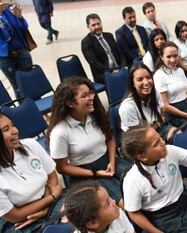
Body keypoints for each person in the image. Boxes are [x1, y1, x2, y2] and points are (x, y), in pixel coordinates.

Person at [121, 124, 187, 233]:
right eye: (156, 144)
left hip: (183, 204)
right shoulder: (132, 180)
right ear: (143, 157)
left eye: (159, 137)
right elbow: (133, 213)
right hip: (162, 217)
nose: (163, 142)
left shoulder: (170, 151)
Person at [47, 77, 132, 206]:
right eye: (84, 96)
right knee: (123, 202)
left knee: (139, 180)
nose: (91, 97)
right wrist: (94, 173)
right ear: (70, 103)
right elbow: (62, 168)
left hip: (108, 162)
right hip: (84, 174)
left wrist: (112, 162)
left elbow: (109, 139)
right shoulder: (60, 132)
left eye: (90, 93)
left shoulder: (94, 115)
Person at [0, 113, 63, 233]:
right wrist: (51, 197)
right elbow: (15, 215)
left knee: (83, 208)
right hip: (21, 222)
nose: (15, 131)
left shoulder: (30, 145)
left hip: (50, 202)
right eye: (6, 129)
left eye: (12, 125)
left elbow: (52, 177)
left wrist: (46, 208)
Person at [119, 63, 178, 142]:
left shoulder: (154, 92)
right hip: (140, 141)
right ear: (132, 83)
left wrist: (158, 123)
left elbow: (162, 115)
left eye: (149, 77)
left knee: (178, 136)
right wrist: (158, 123)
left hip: (157, 128)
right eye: (140, 79)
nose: (146, 82)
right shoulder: (127, 106)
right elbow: (138, 138)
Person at [153, 42, 187, 128]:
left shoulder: (180, 71)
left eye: (175, 56)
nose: (173, 60)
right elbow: (166, 106)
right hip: (173, 114)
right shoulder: (159, 75)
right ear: (161, 57)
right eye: (168, 57)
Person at [62, 180, 134, 233]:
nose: (114, 201)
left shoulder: (117, 214)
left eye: (110, 197)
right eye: (107, 204)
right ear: (93, 223)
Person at [0, 2, 33, 98]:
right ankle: (24, 111)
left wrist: (19, 17)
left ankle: (36, 109)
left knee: (30, 83)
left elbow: (24, 26)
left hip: (21, 51)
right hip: (5, 56)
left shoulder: (9, 8)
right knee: (17, 87)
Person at [81, 13, 125, 84]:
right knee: (117, 79)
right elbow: (94, 63)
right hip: (102, 73)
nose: (97, 27)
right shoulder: (86, 42)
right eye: (93, 25)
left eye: (98, 23)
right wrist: (111, 70)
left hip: (118, 68)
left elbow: (120, 53)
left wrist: (123, 67)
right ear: (88, 27)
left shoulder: (109, 35)